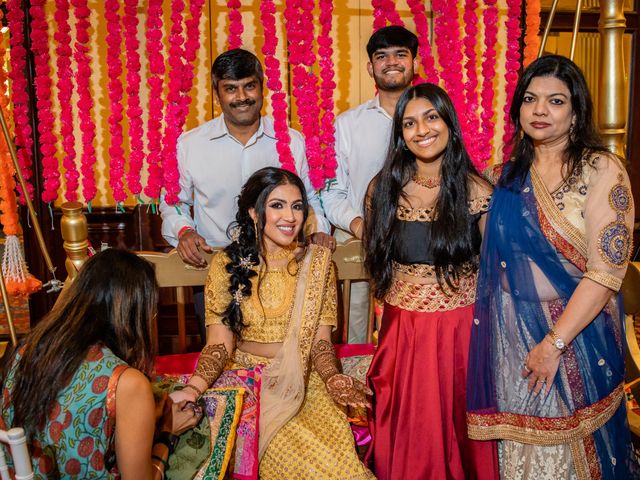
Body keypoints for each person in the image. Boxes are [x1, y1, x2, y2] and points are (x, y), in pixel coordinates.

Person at [466, 55, 638, 479]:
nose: (540, 110)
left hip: (573, 338)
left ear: (576, 112)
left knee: (571, 452)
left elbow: (606, 271)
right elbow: (487, 259)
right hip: (510, 339)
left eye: (555, 101)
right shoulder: (502, 177)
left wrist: (553, 345)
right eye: (530, 99)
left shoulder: (601, 170)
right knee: (519, 451)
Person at [170, 167, 374, 479]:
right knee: (289, 457)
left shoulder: (318, 263)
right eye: (277, 205)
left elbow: (320, 342)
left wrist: (333, 377)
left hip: (307, 379)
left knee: (335, 462)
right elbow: (219, 344)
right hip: (252, 382)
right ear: (254, 212)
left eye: (297, 206)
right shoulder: (227, 265)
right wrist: (194, 389)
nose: (290, 217)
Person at [363, 83, 499, 479]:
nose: (421, 129)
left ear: (449, 124)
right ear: (401, 136)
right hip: (403, 332)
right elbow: (379, 268)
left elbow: (494, 276)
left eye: (431, 117)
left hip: (461, 333)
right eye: (409, 123)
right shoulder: (382, 191)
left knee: (460, 429)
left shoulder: (478, 192)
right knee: (409, 429)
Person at [160, 48, 333, 340]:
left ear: (261, 87)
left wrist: (317, 230)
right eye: (231, 89)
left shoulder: (291, 141)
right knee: (220, 359)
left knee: (276, 358)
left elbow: (312, 200)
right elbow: (173, 204)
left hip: (280, 271)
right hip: (214, 268)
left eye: (249, 86)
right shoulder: (190, 144)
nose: (241, 97)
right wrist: (184, 231)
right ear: (217, 94)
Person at [0, 249, 201, 479]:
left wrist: (148, 417)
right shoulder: (126, 381)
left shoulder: (25, 349)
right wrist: (167, 434)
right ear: (134, 312)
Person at [322, 26, 418, 343]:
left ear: (415, 63)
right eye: (382, 56)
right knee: (357, 337)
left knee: (413, 338)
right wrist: (361, 226)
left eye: (400, 54)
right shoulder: (348, 125)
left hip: (420, 250)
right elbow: (332, 193)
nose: (391, 62)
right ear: (370, 67)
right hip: (361, 251)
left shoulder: (433, 118)